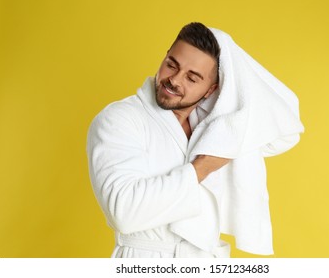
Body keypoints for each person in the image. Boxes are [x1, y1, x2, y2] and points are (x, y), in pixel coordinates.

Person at [87, 22, 304, 258]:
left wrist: (231, 57)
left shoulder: (215, 128)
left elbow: (286, 129)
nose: (175, 80)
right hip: (146, 258)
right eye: (172, 65)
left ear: (211, 90)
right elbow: (124, 212)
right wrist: (201, 168)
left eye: (192, 78)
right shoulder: (120, 118)